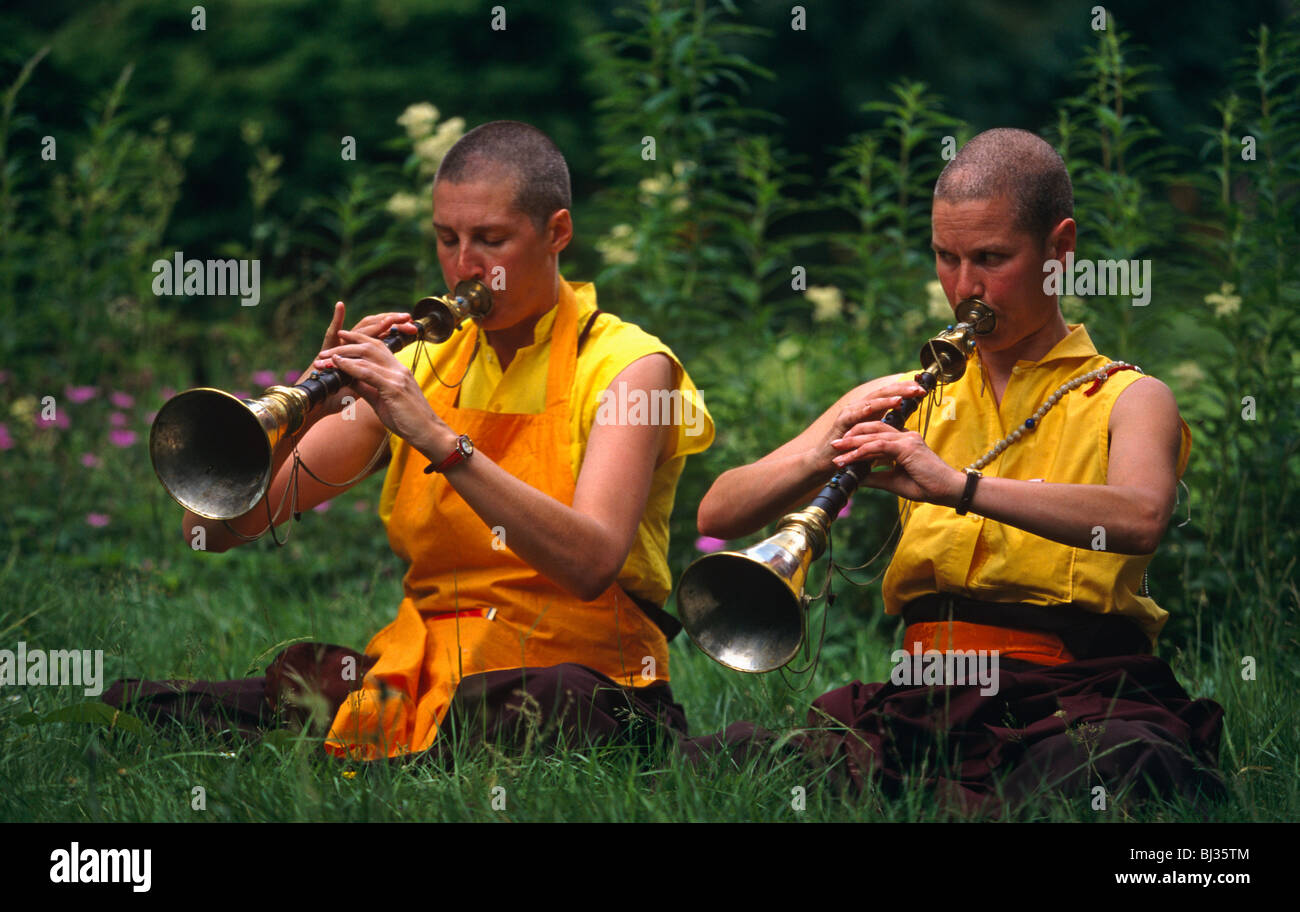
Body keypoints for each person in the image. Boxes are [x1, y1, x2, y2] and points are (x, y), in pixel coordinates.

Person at [107, 121, 714, 762]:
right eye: (447, 239)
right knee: (146, 706)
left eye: (491, 239)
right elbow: (223, 527)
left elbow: (591, 564)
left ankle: (397, 754)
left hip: (578, 674)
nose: (464, 266)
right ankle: (402, 746)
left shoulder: (630, 366)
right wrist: (305, 405)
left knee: (551, 705)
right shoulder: (424, 363)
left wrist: (434, 436)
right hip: (430, 674)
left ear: (557, 232)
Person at [691, 128, 1225, 813]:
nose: (964, 287)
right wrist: (828, 436)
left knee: (1115, 766)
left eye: (991, 258)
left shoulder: (1128, 396)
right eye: (946, 257)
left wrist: (957, 487)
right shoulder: (911, 397)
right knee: (730, 760)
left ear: (1060, 250)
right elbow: (719, 514)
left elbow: (1141, 516)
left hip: (1069, 692)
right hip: (924, 694)